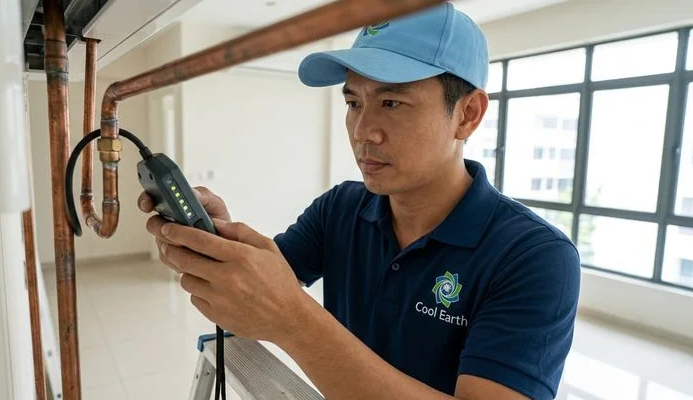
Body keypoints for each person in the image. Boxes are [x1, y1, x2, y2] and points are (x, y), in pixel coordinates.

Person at [139, 3, 581, 399]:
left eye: (391, 101)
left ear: (467, 114)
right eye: (353, 102)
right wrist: (214, 242)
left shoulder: (535, 258)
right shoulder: (341, 209)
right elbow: (257, 298)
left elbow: (284, 311)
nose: (362, 130)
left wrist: (296, 322)